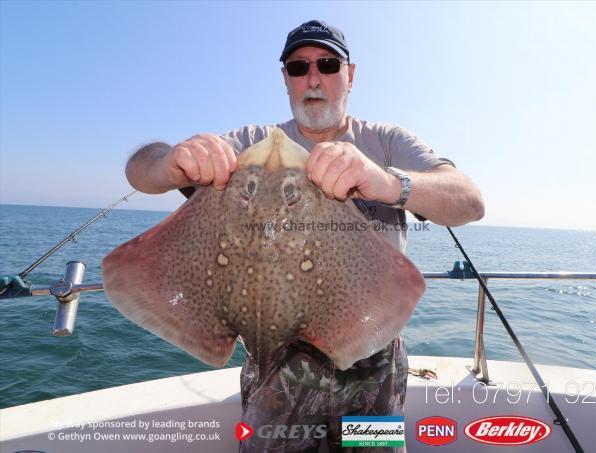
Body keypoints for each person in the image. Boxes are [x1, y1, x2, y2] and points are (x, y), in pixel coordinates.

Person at [126, 20, 484, 452]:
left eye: (328, 64)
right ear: (286, 80)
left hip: (374, 361)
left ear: (350, 75)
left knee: (375, 451)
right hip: (276, 361)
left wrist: (387, 183)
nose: (313, 78)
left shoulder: (386, 142)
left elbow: (470, 202)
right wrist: (171, 161)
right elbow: (139, 170)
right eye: (298, 68)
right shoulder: (254, 144)